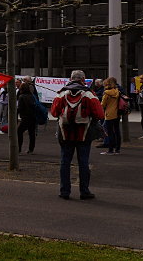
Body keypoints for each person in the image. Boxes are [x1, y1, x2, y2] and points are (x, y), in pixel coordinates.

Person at [50, 70, 104, 200]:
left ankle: (64, 191)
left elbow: (54, 112)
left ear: (70, 79)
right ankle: (84, 191)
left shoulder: (62, 93)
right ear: (83, 80)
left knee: (65, 162)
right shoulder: (89, 94)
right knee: (83, 162)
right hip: (84, 133)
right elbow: (100, 114)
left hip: (65, 133)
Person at [100, 77, 121, 155]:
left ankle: (110, 150)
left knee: (109, 132)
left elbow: (103, 104)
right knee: (117, 131)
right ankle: (117, 149)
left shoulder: (107, 93)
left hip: (109, 114)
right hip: (117, 113)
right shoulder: (117, 91)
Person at [17, 82, 37, 154]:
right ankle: (31, 149)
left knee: (19, 132)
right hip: (33, 116)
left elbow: (20, 108)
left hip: (25, 117)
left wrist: (16, 112)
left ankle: (18, 148)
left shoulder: (21, 97)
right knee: (32, 133)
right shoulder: (32, 96)